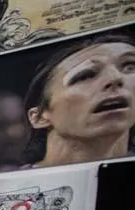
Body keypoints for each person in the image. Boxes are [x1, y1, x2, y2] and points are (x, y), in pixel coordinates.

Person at [22, 33, 135, 170]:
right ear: (39, 117)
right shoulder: (8, 182)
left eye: (130, 67)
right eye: (85, 76)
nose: (115, 78)